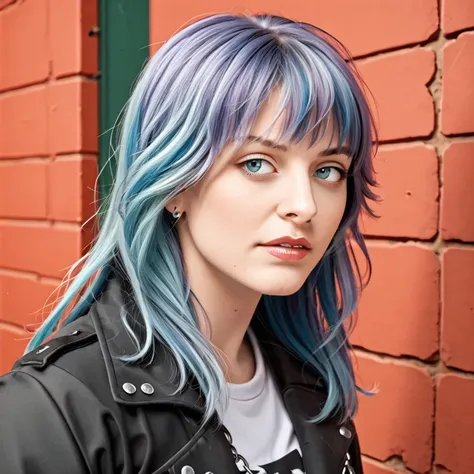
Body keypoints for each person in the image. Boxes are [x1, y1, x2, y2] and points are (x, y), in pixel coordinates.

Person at [0, 13, 377, 474]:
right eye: (258, 164)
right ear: (175, 184)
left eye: (327, 170)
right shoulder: (53, 411)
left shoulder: (314, 383)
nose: (305, 206)